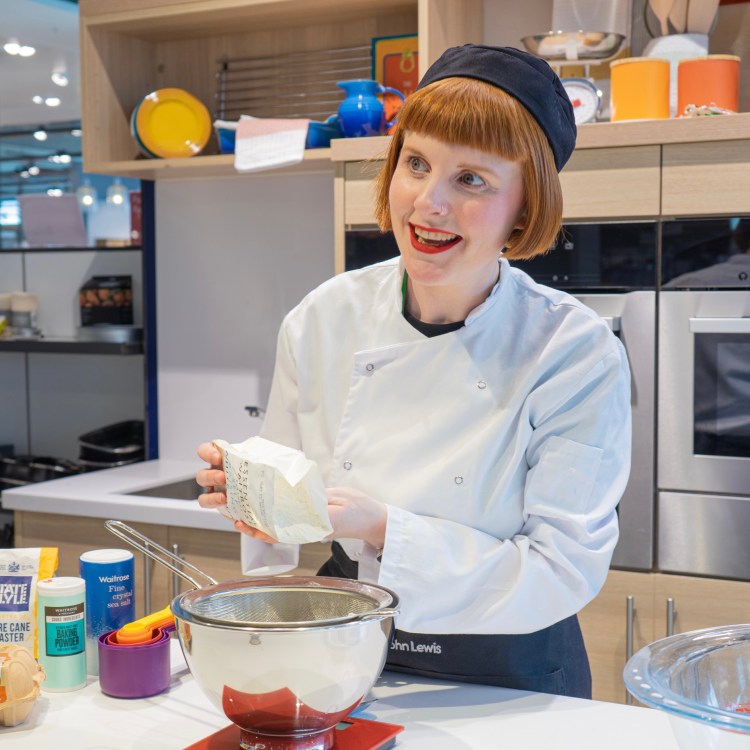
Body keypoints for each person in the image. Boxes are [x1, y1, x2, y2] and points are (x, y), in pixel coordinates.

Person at [196, 44, 631, 699]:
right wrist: (253, 495)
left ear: (524, 206)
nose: (429, 202)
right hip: (347, 647)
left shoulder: (572, 350)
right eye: (416, 163)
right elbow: (285, 514)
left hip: (510, 674)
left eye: (471, 179)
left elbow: (561, 568)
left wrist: (381, 527)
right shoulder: (325, 317)